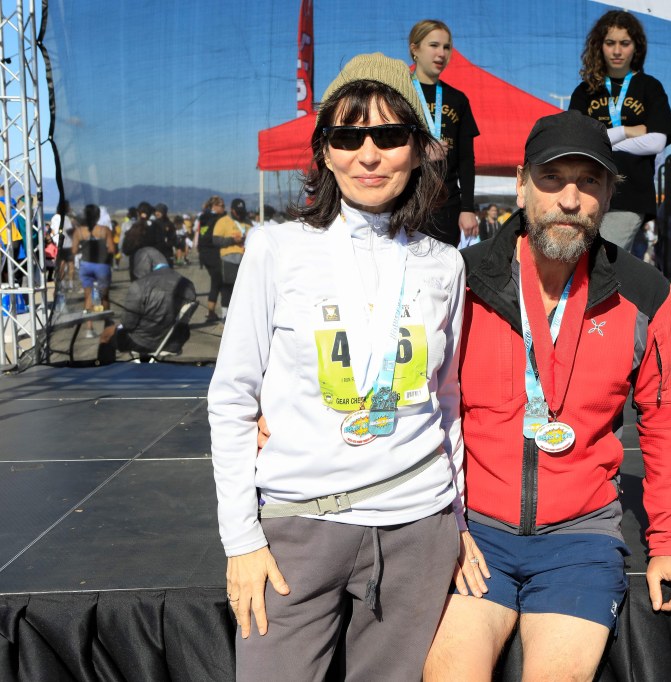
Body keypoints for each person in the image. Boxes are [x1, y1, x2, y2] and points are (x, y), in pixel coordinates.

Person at [209, 52, 469, 681]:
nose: (369, 154)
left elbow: (450, 400)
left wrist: (457, 521)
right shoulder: (276, 248)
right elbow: (233, 398)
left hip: (418, 525)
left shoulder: (444, 264)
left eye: (389, 134)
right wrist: (241, 539)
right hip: (300, 525)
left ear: (419, 149)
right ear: (324, 151)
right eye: (349, 136)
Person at [423, 110, 671, 680]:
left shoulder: (647, 295)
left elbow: (665, 423)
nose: (570, 199)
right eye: (553, 179)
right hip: (473, 531)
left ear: (608, 194)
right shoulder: (462, 280)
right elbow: (409, 391)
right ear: (522, 184)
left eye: (589, 182)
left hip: (580, 537)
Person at [569, 10, 671, 254]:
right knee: (593, 265)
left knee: (601, 261)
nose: (617, 51)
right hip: (586, 192)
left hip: (631, 193)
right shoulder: (585, 91)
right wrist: (626, 131)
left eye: (624, 43)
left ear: (635, 48)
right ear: (600, 46)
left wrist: (600, 140)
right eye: (610, 43)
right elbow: (578, 140)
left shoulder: (650, 87)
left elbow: (657, 142)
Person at [409, 19, 480, 247]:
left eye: (446, 47)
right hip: (406, 200)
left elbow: (466, 159)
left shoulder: (457, 99)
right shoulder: (399, 93)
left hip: (447, 205)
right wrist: (420, 152)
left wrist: (467, 208)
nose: (441, 53)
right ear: (415, 49)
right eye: (434, 45)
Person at [96, 246, 196, 363]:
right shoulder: (187, 284)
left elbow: (128, 323)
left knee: (107, 333)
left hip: (145, 342)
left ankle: (106, 372)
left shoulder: (140, 285)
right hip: (175, 340)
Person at [71, 204, 115, 338]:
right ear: (98, 216)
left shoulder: (78, 231)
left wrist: (83, 248)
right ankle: (107, 323)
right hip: (101, 265)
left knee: (87, 296)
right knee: (105, 296)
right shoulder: (104, 230)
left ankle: (89, 328)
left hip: (86, 265)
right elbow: (112, 249)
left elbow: (74, 251)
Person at [212, 198, 249, 319]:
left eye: (241, 211)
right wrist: (232, 240)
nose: (239, 213)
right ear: (232, 210)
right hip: (228, 259)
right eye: (237, 211)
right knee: (228, 287)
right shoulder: (223, 221)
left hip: (244, 259)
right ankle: (225, 315)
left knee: (243, 288)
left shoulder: (248, 223)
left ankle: (241, 315)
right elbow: (216, 240)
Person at [197, 196, 226, 321]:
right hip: (212, 252)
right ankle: (211, 311)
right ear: (215, 206)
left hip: (204, 253)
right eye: (222, 206)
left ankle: (211, 311)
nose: (224, 209)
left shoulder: (203, 216)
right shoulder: (217, 219)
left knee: (216, 280)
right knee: (217, 280)